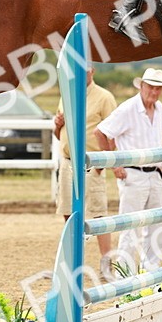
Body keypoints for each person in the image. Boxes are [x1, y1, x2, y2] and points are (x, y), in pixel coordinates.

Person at [95, 67, 162, 275]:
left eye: (158, 88)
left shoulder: (159, 108)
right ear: (142, 86)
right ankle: (124, 277)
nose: (154, 92)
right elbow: (100, 131)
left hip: (155, 173)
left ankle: (151, 275)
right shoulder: (128, 109)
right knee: (131, 228)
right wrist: (115, 164)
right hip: (133, 174)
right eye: (151, 87)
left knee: (157, 227)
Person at [53, 66, 118, 278]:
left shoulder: (104, 97)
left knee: (98, 212)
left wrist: (103, 162)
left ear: (93, 70)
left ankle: (106, 263)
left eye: (86, 68)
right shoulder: (67, 94)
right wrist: (58, 125)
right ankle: (73, 262)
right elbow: (58, 133)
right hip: (67, 160)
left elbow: (113, 132)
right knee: (67, 212)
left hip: (91, 162)